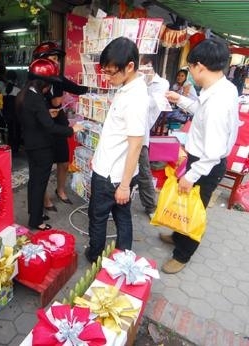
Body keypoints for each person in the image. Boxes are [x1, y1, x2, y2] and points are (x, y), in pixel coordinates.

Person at [161, 38, 239, 274]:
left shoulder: (218, 101)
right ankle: (177, 235)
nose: (191, 72)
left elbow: (213, 153)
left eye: (191, 67)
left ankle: (183, 255)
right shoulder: (220, 88)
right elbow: (201, 114)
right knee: (185, 203)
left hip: (206, 165)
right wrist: (181, 100)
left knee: (196, 209)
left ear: (200, 66)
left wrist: (191, 175)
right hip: (201, 159)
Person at [84, 37, 149, 263]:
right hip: (113, 169)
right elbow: (117, 134)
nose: (108, 78)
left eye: (112, 73)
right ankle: (123, 259)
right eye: (106, 72)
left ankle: (95, 256)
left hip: (112, 176)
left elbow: (135, 145)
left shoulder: (135, 98)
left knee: (98, 217)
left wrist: (123, 185)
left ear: (130, 66)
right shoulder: (128, 89)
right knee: (121, 215)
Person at [15, 58, 84, 231]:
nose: (49, 89)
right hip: (41, 147)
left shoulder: (26, 94)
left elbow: (35, 119)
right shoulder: (36, 98)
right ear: (42, 82)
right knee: (39, 183)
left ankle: (35, 213)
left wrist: (46, 113)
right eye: (48, 84)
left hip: (31, 144)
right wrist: (72, 129)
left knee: (34, 182)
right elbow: (50, 127)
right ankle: (36, 221)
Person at [31, 41, 89, 212]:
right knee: (44, 165)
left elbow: (78, 90)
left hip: (59, 123)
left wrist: (99, 85)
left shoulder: (59, 78)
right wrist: (48, 106)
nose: (56, 61)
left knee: (63, 162)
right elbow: (33, 105)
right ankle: (45, 197)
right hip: (43, 125)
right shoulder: (34, 80)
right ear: (41, 60)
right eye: (52, 58)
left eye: (57, 58)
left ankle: (61, 189)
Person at [139, 55, 170, 219]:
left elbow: (148, 104)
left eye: (147, 66)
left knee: (144, 170)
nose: (144, 69)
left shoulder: (162, 84)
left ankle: (151, 207)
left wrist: (140, 82)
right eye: (142, 65)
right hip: (128, 129)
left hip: (141, 133)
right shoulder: (138, 81)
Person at [1, 70, 22, 154]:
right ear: (15, 78)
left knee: (10, 131)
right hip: (16, 115)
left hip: (7, 115)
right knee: (17, 131)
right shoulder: (18, 90)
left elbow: (2, 105)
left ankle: (10, 148)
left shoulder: (3, 90)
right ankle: (16, 149)